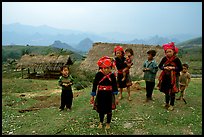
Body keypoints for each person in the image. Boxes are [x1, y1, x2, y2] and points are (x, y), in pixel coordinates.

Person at [90, 56, 118, 129]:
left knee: (109, 109)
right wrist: (92, 95)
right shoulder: (98, 75)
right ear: (101, 68)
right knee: (101, 109)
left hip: (109, 94)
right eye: (104, 68)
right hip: (100, 94)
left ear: (111, 68)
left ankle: (108, 123)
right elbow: (94, 85)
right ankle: (101, 122)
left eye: (108, 68)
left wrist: (116, 97)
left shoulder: (112, 76)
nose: (106, 70)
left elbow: (115, 86)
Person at [157, 42, 183, 111]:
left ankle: (172, 105)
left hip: (173, 78)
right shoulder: (164, 59)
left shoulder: (176, 59)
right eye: (167, 52)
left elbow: (180, 68)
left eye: (170, 51)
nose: (168, 53)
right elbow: (160, 66)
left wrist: (173, 68)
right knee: (166, 91)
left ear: (173, 52)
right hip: (165, 76)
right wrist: (165, 68)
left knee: (172, 91)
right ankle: (166, 103)